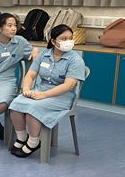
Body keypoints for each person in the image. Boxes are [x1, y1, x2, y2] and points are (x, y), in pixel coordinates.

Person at [8, 24, 86, 158]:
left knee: (32, 108)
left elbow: (68, 86)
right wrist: (26, 89)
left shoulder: (75, 60)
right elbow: (30, 74)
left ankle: (33, 142)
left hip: (62, 96)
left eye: (70, 38)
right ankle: (21, 137)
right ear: (53, 41)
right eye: (64, 38)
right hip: (40, 90)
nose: (68, 41)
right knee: (16, 104)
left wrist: (43, 95)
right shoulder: (44, 54)